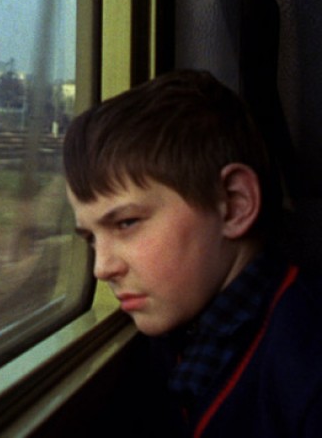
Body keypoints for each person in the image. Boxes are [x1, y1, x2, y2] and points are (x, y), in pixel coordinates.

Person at [62, 69, 322, 437]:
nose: (101, 268)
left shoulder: (305, 365)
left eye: (126, 223)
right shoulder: (183, 335)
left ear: (234, 204)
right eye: (90, 237)